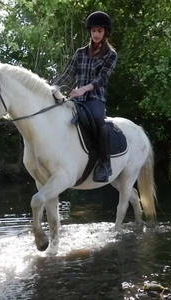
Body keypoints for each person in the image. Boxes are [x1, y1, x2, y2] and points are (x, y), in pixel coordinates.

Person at [53, 10, 118, 183]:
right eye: (94, 31)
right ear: (90, 32)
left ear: (105, 33)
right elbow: (68, 74)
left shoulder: (111, 55)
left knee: (99, 120)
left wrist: (83, 89)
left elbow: (102, 78)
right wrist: (51, 88)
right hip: (76, 99)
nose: (96, 34)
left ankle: (105, 164)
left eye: (100, 31)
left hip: (96, 98)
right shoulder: (80, 53)